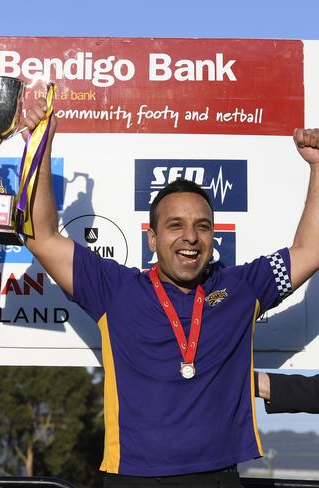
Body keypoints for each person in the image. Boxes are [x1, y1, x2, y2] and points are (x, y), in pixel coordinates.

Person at [19, 97, 319, 487]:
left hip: (217, 477)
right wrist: (41, 146)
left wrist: (317, 167)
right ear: (152, 239)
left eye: (203, 226)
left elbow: (309, 251)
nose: (191, 237)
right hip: (132, 477)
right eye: (175, 225)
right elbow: (41, 236)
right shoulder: (116, 289)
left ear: (214, 235)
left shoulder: (242, 287)